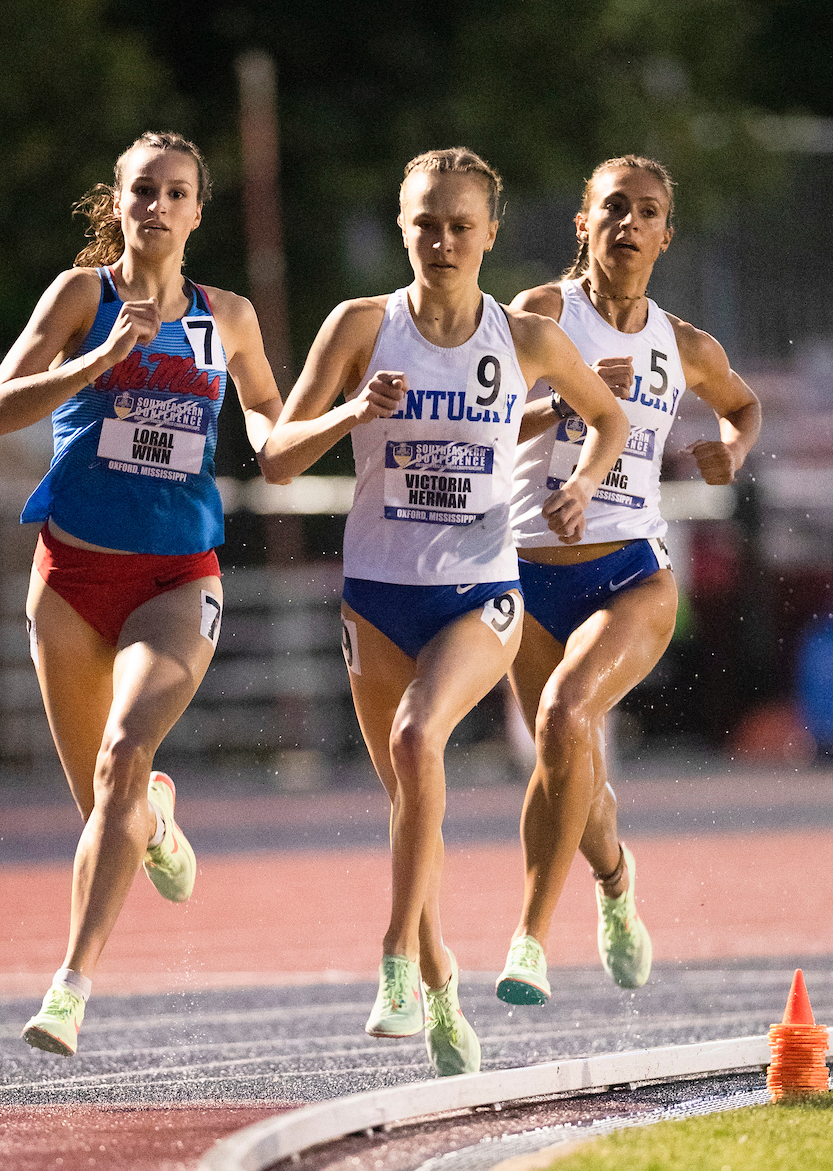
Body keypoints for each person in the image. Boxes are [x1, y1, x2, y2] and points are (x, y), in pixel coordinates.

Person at [263, 148, 628, 1075]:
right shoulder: (359, 326)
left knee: (417, 741)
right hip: (377, 598)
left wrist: (583, 484)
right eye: (426, 221)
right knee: (406, 805)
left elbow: (608, 418)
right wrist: (350, 413)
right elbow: (274, 457)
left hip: (481, 592)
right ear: (402, 225)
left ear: (491, 234)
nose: (443, 240)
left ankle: (388, 960)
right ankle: (435, 984)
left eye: (461, 224)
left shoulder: (528, 339)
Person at [0, 131, 285, 1055]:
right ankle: (154, 820)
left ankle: (69, 989)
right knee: (104, 804)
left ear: (198, 210)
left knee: (121, 753)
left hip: (175, 578)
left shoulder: (226, 316)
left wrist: (292, 435)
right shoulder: (82, 296)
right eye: (142, 190)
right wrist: (95, 362)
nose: (157, 206)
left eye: (176, 192)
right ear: (117, 203)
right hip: (69, 581)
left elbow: (269, 409)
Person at [496, 154, 761, 1006]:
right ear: (583, 223)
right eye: (612, 208)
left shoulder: (683, 345)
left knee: (568, 712)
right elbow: (479, 416)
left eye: (646, 212)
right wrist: (566, 405)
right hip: (527, 568)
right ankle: (614, 880)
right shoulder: (540, 314)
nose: (628, 224)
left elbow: (743, 404)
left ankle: (529, 941)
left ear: (665, 236)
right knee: (572, 769)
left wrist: (733, 450)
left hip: (630, 571)